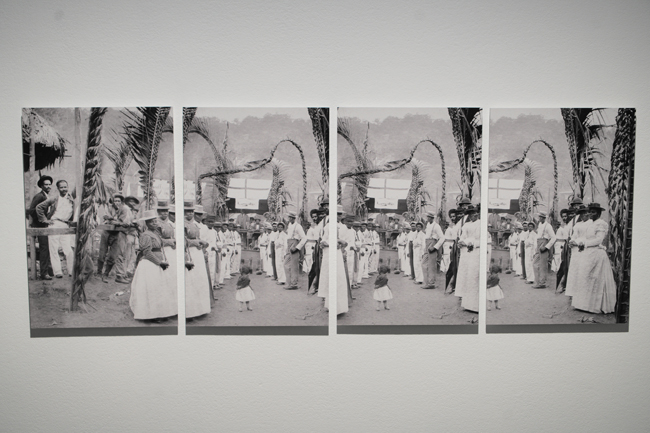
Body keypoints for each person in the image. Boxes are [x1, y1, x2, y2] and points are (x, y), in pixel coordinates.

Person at [129, 209, 176, 321]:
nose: (155, 223)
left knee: (160, 289)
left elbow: (160, 242)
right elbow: (147, 252)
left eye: (155, 221)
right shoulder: (145, 235)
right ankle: (151, 314)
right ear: (147, 223)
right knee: (152, 289)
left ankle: (160, 312)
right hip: (150, 264)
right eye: (151, 222)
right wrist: (159, 263)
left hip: (158, 263)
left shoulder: (155, 233)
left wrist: (171, 242)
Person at [570, 203, 616, 314]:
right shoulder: (590, 223)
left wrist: (585, 244)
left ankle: (595, 305)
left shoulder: (601, 224)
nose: (591, 214)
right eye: (590, 212)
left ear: (599, 213)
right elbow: (585, 237)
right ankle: (584, 304)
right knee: (585, 277)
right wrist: (580, 242)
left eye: (593, 212)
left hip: (596, 253)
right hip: (588, 253)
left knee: (595, 278)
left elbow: (598, 240)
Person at [35, 179, 75, 278]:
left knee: (68, 249)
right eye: (61, 187)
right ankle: (58, 272)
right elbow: (39, 208)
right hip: (54, 224)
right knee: (54, 249)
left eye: (65, 187)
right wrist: (45, 220)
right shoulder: (54, 199)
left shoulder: (71, 199)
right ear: (58, 188)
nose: (64, 189)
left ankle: (71, 271)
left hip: (65, 225)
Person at [184, 201, 211, 320]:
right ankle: (189, 311)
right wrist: (196, 242)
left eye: (191, 212)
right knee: (190, 280)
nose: (189, 214)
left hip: (197, 253)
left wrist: (201, 243)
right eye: (186, 212)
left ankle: (200, 308)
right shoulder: (181, 225)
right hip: (188, 253)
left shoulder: (194, 225)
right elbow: (182, 240)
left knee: (199, 279)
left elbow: (198, 237)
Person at [455, 205, 480, 312]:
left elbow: (480, 239)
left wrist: (470, 242)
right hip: (465, 252)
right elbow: (463, 236)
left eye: (474, 213)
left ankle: (474, 304)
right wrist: (461, 242)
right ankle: (465, 300)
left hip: (475, 251)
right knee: (465, 274)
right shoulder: (466, 225)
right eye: (471, 214)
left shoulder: (480, 224)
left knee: (473, 275)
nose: (473, 215)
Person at [28, 175, 53, 280]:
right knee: (44, 248)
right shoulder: (39, 196)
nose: (48, 186)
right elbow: (32, 210)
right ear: (41, 186)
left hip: (45, 225)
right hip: (39, 226)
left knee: (47, 247)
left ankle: (48, 270)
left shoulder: (46, 196)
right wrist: (42, 219)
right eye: (46, 185)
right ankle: (44, 273)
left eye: (49, 184)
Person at [565, 205, 592, 298]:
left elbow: (589, 237)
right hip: (575, 250)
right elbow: (574, 235)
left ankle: (582, 293)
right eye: (581, 214)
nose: (584, 215)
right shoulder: (578, 224)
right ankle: (573, 292)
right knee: (574, 269)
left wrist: (578, 242)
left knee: (583, 269)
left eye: (585, 213)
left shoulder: (591, 223)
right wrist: (572, 241)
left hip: (584, 247)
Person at [156, 200, 178, 304]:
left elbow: (173, 236)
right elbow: (156, 239)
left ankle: (171, 297)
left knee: (172, 273)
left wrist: (174, 242)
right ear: (158, 212)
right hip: (161, 250)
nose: (164, 213)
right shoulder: (156, 223)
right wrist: (169, 242)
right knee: (163, 273)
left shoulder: (169, 224)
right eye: (162, 211)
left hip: (171, 250)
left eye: (166, 211)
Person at [532, 212, 556, 288]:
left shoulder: (548, 226)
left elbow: (554, 238)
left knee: (543, 265)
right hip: (538, 243)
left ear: (544, 218)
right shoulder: (539, 224)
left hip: (544, 243)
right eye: (539, 217)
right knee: (535, 263)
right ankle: (537, 282)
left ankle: (542, 283)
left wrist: (546, 247)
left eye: (541, 217)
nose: (539, 218)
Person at [423, 211, 445, 289]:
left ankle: (431, 283)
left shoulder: (436, 226)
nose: (427, 218)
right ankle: (426, 282)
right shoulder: (428, 224)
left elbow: (442, 238)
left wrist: (435, 247)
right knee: (424, 264)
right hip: (427, 243)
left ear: (432, 218)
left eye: (429, 217)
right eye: (427, 217)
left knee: (431, 265)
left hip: (433, 243)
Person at [285, 211, 306, 289]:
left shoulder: (298, 226)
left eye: (291, 217)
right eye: (289, 217)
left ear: (294, 218)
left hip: (295, 244)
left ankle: (294, 284)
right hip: (289, 244)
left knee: (294, 266)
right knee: (286, 264)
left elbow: (304, 238)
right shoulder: (289, 225)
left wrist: (297, 247)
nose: (289, 218)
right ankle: (289, 283)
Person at [123, 196, 141, 280]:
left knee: (133, 254)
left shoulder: (135, 211)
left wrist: (137, 224)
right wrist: (132, 224)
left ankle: (129, 271)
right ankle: (124, 272)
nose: (132, 203)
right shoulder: (125, 210)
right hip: (128, 233)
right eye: (130, 201)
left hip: (134, 234)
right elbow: (125, 222)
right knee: (127, 254)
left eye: (133, 202)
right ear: (127, 202)